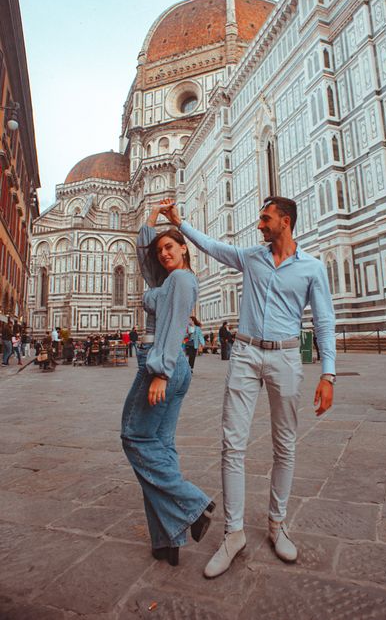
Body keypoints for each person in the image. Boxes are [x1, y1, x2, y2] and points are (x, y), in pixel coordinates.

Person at [159, 195, 336, 578]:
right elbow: (213, 247)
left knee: (284, 445)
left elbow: (324, 321)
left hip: (287, 357)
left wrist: (328, 374)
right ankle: (234, 532)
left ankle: (277, 525)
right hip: (245, 353)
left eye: (265, 219)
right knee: (232, 443)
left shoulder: (311, 268)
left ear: (284, 221)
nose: (259, 225)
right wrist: (180, 222)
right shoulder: (251, 258)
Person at [121, 204, 215, 567]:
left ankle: (194, 505)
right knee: (159, 447)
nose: (162, 254)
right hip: (174, 369)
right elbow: (145, 260)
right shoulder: (166, 279)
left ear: (184, 249)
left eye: (170, 248)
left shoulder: (179, 281)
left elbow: (175, 326)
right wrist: (152, 219)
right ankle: (167, 540)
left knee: (134, 438)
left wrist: (159, 371)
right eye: (160, 250)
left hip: (161, 365)